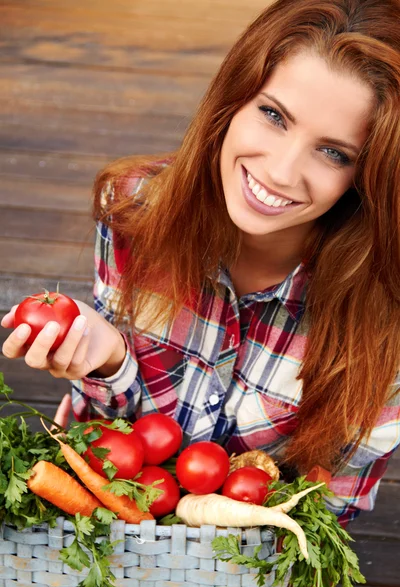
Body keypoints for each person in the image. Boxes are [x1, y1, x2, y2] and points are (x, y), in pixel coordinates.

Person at [2, 0, 400, 538]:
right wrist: (109, 360)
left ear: (369, 176)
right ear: (232, 99)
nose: (281, 172)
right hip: (95, 538)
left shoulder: (385, 307)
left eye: (334, 153)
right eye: (274, 115)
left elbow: (327, 514)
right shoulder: (135, 208)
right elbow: (109, 452)